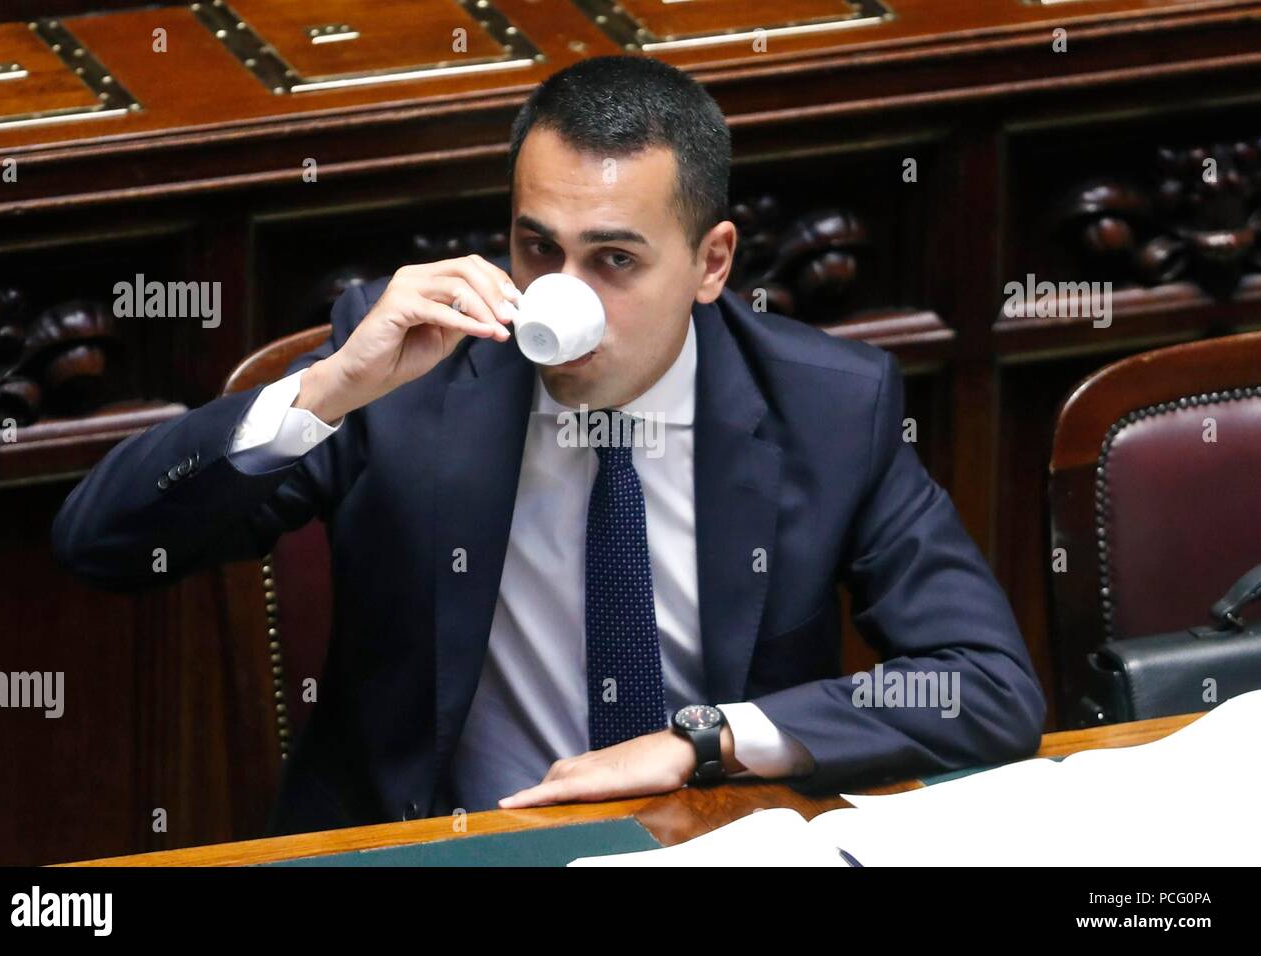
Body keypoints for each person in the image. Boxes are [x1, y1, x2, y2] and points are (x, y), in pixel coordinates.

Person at [53, 54, 1046, 836]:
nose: (560, 297)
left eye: (613, 259)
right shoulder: (414, 377)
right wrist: (329, 388)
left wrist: (713, 740)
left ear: (711, 262)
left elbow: (987, 682)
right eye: (538, 248)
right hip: (454, 844)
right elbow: (99, 543)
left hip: (705, 836)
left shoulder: (827, 406)